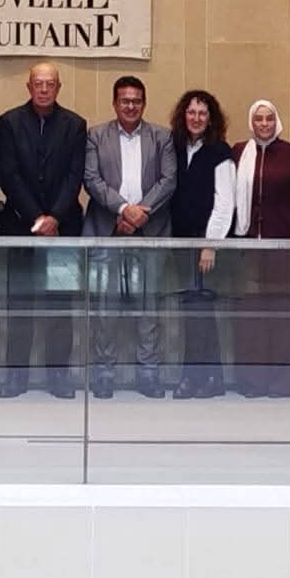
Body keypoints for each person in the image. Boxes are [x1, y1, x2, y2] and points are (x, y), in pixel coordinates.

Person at [82, 75, 177, 398]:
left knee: (148, 307)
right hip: (107, 231)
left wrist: (140, 213)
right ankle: (104, 373)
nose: (131, 106)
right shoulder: (96, 136)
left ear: (144, 103)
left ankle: (148, 373)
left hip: (150, 232)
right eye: (125, 100)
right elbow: (92, 180)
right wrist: (123, 210)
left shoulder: (162, 137)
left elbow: (168, 180)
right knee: (104, 307)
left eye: (136, 101)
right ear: (115, 103)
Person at [0, 61, 87, 398]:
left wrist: (55, 218)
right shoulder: (9, 122)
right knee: (19, 303)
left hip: (63, 228)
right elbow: (9, 175)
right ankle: (16, 376)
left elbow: (75, 177)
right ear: (29, 87)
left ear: (58, 88)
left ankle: (58, 376)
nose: (44, 89)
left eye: (50, 84)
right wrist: (37, 218)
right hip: (21, 226)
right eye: (39, 83)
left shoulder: (75, 125)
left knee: (60, 305)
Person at [228, 100, 290, 398]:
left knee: (285, 314)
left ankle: (284, 384)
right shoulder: (239, 151)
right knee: (251, 318)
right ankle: (252, 383)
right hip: (249, 246)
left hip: (285, 244)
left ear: (276, 122)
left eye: (269, 118)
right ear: (251, 122)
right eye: (258, 119)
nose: (264, 124)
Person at [168, 89, 237, 398]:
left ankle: (200, 378)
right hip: (180, 242)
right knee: (191, 311)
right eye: (191, 112)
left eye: (202, 113)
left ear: (211, 119)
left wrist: (211, 244)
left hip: (206, 246)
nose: (196, 118)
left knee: (202, 313)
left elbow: (225, 202)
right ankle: (208, 378)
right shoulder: (175, 147)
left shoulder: (220, 151)